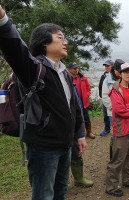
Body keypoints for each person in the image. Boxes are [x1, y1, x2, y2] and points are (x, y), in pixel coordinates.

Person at [0, 6, 87, 200]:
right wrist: (3, 20)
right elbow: (14, 48)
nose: (65, 42)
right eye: (60, 37)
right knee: (43, 196)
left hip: (65, 145)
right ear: (44, 43)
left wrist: (79, 135)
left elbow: (74, 107)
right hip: (43, 147)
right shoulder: (33, 69)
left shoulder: (64, 71)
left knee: (59, 192)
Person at [105, 63, 129, 197]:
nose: (128, 74)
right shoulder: (115, 89)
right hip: (122, 129)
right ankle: (111, 187)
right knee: (118, 158)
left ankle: (128, 180)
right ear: (120, 74)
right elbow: (119, 109)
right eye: (125, 72)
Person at [102, 59, 123, 160]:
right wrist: (115, 107)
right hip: (112, 112)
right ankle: (113, 156)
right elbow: (105, 97)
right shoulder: (107, 80)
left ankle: (121, 154)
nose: (121, 73)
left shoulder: (123, 79)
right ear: (114, 70)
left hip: (124, 112)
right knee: (115, 134)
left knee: (122, 133)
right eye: (119, 71)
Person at [68, 62, 96, 139]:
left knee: (86, 118)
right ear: (69, 69)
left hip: (83, 102)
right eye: (74, 68)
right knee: (74, 118)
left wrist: (86, 95)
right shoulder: (67, 78)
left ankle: (89, 132)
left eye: (77, 68)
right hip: (72, 103)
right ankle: (75, 134)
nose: (76, 70)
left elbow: (88, 87)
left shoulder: (82, 78)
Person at [99, 59, 114, 136]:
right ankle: (107, 129)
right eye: (105, 66)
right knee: (105, 116)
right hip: (105, 99)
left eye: (108, 66)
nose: (106, 67)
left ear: (112, 66)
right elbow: (100, 87)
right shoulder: (103, 76)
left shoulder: (115, 77)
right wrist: (102, 97)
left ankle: (115, 132)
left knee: (113, 117)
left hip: (113, 101)